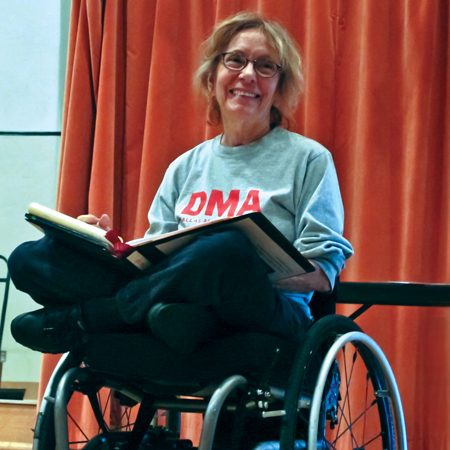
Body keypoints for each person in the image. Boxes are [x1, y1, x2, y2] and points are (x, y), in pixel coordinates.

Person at [8, 12, 353, 356]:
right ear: (213, 77)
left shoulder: (308, 159)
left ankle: (93, 318)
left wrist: (233, 274)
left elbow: (322, 274)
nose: (248, 75)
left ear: (280, 88)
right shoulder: (185, 166)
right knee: (31, 258)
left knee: (226, 248)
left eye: (265, 66)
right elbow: (159, 259)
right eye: (235, 60)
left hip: (266, 309)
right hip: (179, 305)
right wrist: (106, 245)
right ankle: (140, 313)